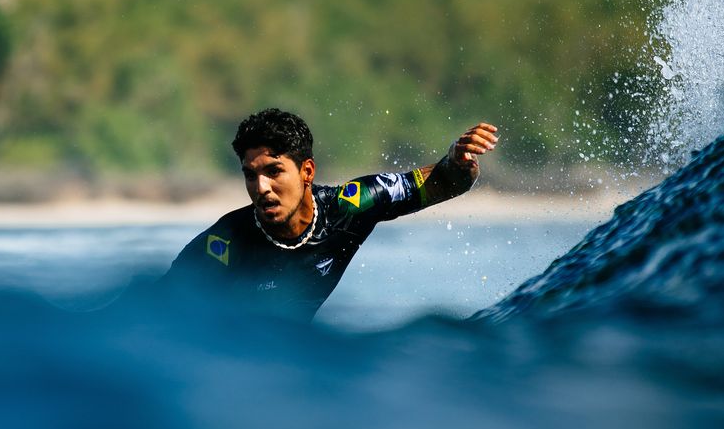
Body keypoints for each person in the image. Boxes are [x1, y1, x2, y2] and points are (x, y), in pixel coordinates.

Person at [156, 108, 498, 322]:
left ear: (307, 171)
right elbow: (154, 312)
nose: (261, 187)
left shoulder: (351, 205)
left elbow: (445, 183)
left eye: (274, 171)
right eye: (250, 174)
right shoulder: (224, 243)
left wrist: (458, 159)